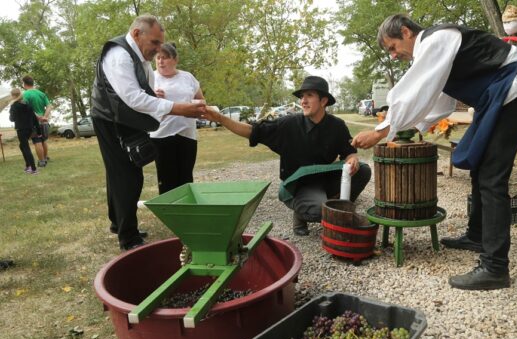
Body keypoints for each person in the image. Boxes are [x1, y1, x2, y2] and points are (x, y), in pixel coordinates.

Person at [352, 14, 517, 290]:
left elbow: (415, 90)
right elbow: (437, 101)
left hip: (512, 90)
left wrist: (383, 130)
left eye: (392, 47)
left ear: (405, 32)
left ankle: (495, 267)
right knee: (480, 166)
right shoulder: (435, 50)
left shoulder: (437, 39)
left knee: (492, 177)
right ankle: (477, 235)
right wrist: (414, 126)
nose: (393, 56)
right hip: (497, 96)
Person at [91, 14, 206, 251]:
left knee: (118, 172)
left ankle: (117, 223)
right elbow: (133, 98)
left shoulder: (139, 57)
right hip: (108, 119)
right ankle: (129, 238)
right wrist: (179, 108)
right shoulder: (119, 56)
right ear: (136, 34)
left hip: (121, 117)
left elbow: (144, 94)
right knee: (127, 174)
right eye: (154, 43)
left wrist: (157, 100)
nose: (157, 50)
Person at [202, 76, 371, 236]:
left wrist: (352, 158)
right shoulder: (288, 124)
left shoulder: (337, 126)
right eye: (302, 96)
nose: (303, 101)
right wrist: (219, 118)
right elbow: (251, 131)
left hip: (325, 180)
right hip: (299, 185)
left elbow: (348, 152)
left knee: (363, 170)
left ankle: (338, 207)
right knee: (319, 210)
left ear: (324, 101)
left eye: (309, 96)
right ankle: (302, 214)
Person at [150, 42, 204, 194]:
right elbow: (139, 105)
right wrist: (151, 97)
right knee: (166, 179)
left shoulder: (188, 77)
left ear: (175, 59)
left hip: (187, 135)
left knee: (186, 177)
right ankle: (169, 214)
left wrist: (196, 106)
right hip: (161, 135)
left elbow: (201, 100)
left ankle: (187, 214)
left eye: (165, 58)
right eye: (158, 58)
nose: (160, 61)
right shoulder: (150, 78)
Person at [21, 75, 53, 167]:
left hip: (33, 122)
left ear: (24, 83)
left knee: (37, 141)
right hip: (44, 122)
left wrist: (37, 117)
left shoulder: (25, 95)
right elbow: (49, 106)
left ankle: (42, 161)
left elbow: (27, 109)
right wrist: (45, 117)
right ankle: (46, 157)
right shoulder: (41, 93)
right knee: (43, 140)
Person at [9, 88, 41, 174]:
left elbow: (12, 119)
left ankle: (33, 169)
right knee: (22, 146)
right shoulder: (27, 104)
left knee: (25, 147)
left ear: (14, 96)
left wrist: (11, 112)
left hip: (21, 130)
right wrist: (38, 131)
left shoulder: (14, 106)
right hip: (29, 129)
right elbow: (35, 118)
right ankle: (28, 166)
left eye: (11, 95)